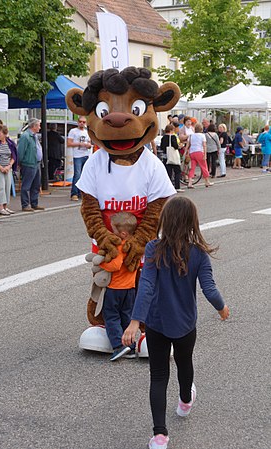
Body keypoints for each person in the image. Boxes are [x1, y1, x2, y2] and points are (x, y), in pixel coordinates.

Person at [122, 196, 230, 449]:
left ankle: (159, 436)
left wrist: (135, 322)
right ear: (193, 222)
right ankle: (184, 402)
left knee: (158, 376)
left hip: (157, 323)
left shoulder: (153, 249)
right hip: (185, 325)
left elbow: (146, 287)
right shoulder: (199, 254)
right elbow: (209, 289)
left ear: (165, 221)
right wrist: (222, 308)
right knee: (184, 363)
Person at [99, 212, 138, 361]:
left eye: (113, 229)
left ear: (122, 233)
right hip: (130, 288)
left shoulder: (120, 246)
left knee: (111, 316)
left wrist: (101, 263)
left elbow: (115, 265)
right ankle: (131, 346)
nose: (112, 232)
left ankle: (118, 345)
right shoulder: (135, 245)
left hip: (115, 288)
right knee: (126, 317)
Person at [18, 118, 45, 212]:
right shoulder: (25, 136)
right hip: (29, 163)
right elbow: (21, 151)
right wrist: (20, 162)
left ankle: (34, 203)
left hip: (36, 163)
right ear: (33, 126)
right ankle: (25, 204)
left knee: (36, 184)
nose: (40, 127)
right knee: (27, 185)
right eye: (38, 125)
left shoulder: (34, 136)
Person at [67, 116, 91, 201]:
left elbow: (89, 142)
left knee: (85, 175)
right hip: (77, 155)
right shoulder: (73, 131)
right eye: (80, 121)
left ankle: (82, 193)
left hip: (86, 154)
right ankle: (74, 193)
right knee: (77, 174)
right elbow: (69, 143)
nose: (82, 123)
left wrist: (88, 145)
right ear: (78, 122)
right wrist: (80, 144)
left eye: (84, 122)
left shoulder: (87, 132)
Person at [186, 123, 213, 188]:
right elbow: (204, 145)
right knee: (204, 166)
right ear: (201, 129)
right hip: (199, 152)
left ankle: (190, 182)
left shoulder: (191, 136)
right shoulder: (202, 136)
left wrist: (186, 152)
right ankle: (207, 181)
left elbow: (188, 145)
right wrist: (205, 154)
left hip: (192, 152)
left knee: (192, 168)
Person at [160, 124, 184, 192]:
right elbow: (175, 146)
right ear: (171, 130)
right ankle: (177, 187)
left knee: (168, 173)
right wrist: (180, 146)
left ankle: (168, 187)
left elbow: (162, 147)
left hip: (166, 156)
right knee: (177, 171)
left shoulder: (163, 137)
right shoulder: (172, 137)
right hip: (173, 157)